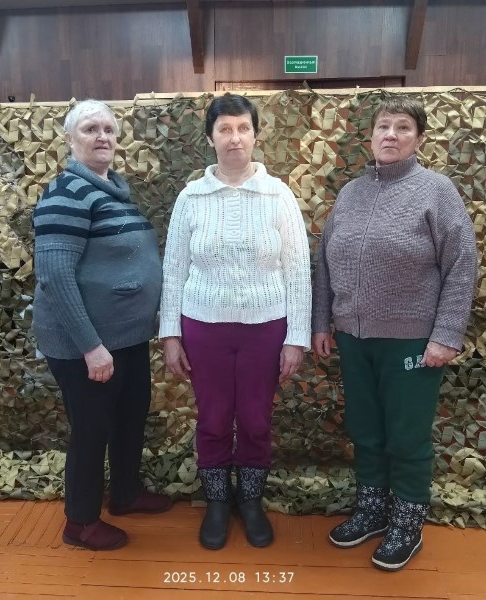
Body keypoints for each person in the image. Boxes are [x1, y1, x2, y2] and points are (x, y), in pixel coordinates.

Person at [312, 95, 478, 571]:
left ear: (419, 138)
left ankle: (407, 523)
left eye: (403, 127)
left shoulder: (436, 191)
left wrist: (446, 335)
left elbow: (462, 263)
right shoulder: (351, 193)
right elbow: (324, 262)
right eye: (383, 126)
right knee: (365, 429)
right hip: (353, 337)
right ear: (370, 137)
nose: (391, 135)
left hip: (412, 341)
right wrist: (321, 322)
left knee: (406, 435)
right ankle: (373, 511)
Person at [159, 94, 311, 550]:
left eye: (243, 128)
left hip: (266, 328)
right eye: (224, 129)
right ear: (210, 138)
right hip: (204, 327)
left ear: (256, 135)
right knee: (212, 417)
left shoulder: (278, 194)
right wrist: (170, 334)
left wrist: (296, 337)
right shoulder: (191, 197)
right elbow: (173, 269)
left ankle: (250, 500)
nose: (235, 138)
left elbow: (298, 269)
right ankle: (217, 502)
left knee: (256, 419)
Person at [32, 99, 171, 552]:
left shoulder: (114, 190)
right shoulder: (65, 193)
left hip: (126, 338)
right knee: (92, 429)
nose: (102, 137)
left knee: (130, 415)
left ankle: (125, 493)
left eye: (109, 129)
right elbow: (54, 275)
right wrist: (90, 347)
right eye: (90, 129)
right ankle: (80, 522)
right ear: (70, 139)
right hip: (86, 344)